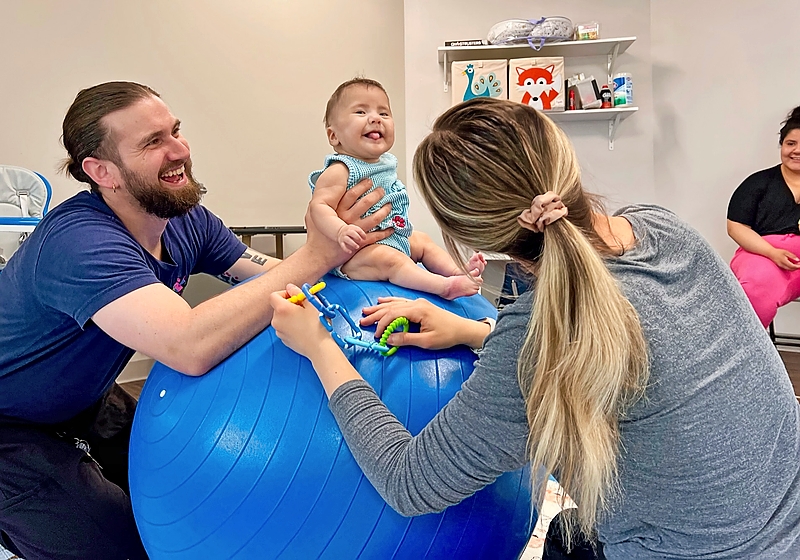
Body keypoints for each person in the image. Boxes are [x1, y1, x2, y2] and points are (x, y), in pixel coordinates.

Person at [269, 97, 800, 559]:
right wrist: (471, 333)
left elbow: (410, 483)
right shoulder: (663, 227)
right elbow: (627, 357)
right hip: (782, 520)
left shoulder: (534, 335)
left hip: (699, 550)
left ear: (467, 235)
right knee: (570, 531)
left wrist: (318, 345)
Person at [0, 81, 392, 560]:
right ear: (101, 171)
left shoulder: (186, 222)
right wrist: (315, 255)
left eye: (176, 131)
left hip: (81, 398)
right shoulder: (80, 242)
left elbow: (269, 276)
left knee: (177, 493)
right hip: (8, 426)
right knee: (120, 546)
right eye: (153, 142)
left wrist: (353, 262)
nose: (179, 150)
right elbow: (188, 345)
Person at [308, 77, 486, 300]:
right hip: (354, 256)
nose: (375, 119)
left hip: (393, 237)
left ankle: (458, 272)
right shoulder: (340, 169)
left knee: (423, 242)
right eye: (361, 112)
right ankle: (443, 287)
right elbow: (319, 207)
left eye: (384, 113)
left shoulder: (386, 162)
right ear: (334, 136)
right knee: (391, 261)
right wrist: (340, 231)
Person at [727, 106, 800, 327]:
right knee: (754, 290)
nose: (796, 151)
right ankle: (748, 354)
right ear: (781, 145)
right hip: (763, 254)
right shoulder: (758, 183)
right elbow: (736, 227)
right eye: (790, 143)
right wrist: (772, 253)